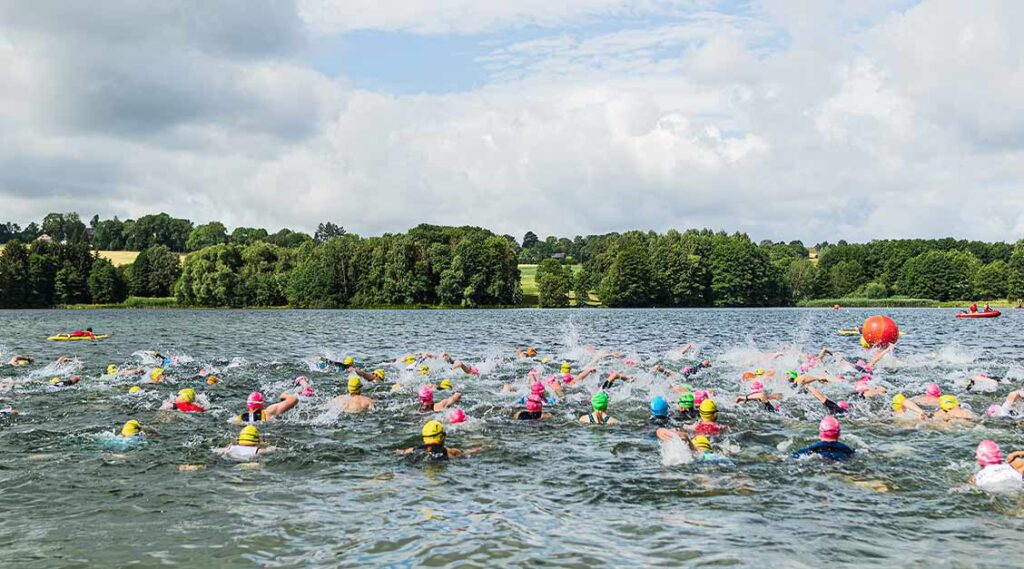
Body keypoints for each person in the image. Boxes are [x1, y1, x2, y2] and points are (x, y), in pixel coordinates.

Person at [396, 420, 479, 460]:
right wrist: (481, 448)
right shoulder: (450, 452)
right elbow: (466, 453)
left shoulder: (413, 450)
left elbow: (399, 452)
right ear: (442, 437)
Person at [231, 391, 299, 424]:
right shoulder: (269, 412)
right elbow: (293, 399)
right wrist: (283, 395)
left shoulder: (239, 419)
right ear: (262, 405)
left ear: (248, 405)